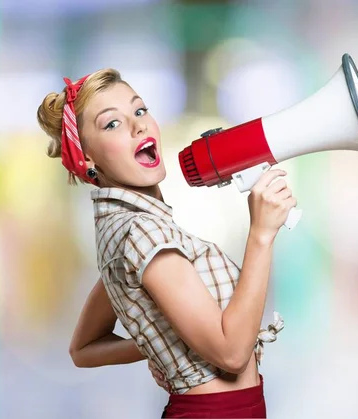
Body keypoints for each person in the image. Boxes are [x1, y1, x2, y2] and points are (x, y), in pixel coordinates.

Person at [36, 69, 295, 418]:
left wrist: (164, 346)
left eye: (140, 110)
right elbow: (232, 354)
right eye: (112, 124)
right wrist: (261, 235)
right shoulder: (143, 234)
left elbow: (84, 348)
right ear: (87, 160)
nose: (138, 125)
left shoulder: (124, 230)